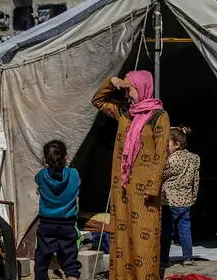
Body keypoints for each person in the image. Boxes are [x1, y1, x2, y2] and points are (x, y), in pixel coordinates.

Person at [92, 70, 171, 280]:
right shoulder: (125, 113)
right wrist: (113, 82)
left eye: (131, 89)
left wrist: (153, 187)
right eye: (126, 90)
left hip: (145, 191)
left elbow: (160, 154)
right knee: (122, 238)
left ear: (143, 87)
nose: (128, 94)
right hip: (122, 187)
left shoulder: (158, 116)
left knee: (143, 242)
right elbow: (98, 100)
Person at [34, 140, 82, 280]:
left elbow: (40, 184)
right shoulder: (74, 174)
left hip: (47, 225)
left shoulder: (42, 176)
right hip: (67, 225)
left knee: (42, 262)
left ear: (45, 159)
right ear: (65, 157)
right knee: (70, 264)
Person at [160, 126, 201, 267]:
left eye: (167, 144)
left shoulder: (170, 160)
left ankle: (164, 259)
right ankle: (188, 258)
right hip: (185, 201)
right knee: (185, 230)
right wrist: (193, 197)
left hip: (169, 201)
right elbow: (196, 180)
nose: (165, 147)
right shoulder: (194, 159)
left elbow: (162, 176)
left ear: (176, 145)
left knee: (166, 230)